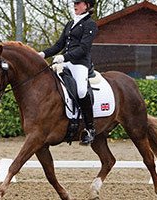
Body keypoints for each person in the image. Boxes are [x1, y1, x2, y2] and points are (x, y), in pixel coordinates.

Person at [39, 0, 98, 145]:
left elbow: (84, 48)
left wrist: (64, 56)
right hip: (65, 62)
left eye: (78, 3)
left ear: (87, 6)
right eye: (74, 3)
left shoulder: (90, 24)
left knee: (82, 91)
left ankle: (90, 129)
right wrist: (42, 54)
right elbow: (59, 45)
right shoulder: (70, 24)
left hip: (80, 64)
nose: (75, 5)